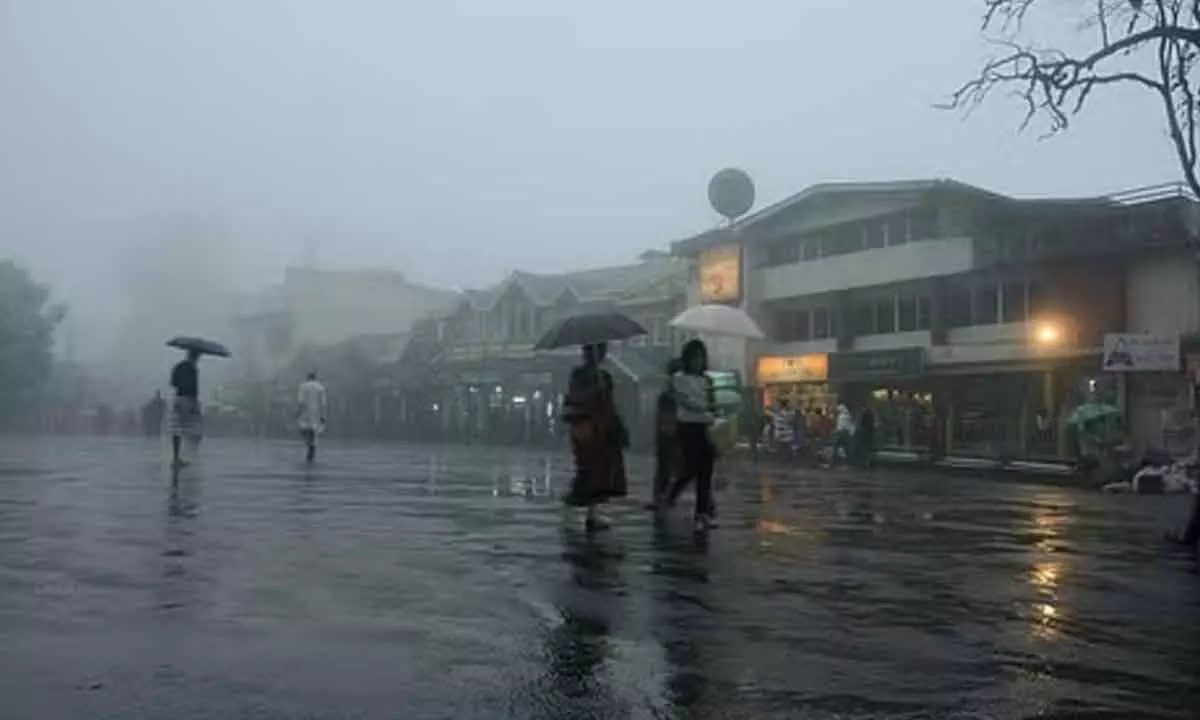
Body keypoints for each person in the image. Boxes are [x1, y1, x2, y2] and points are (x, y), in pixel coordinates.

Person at [562, 343, 628, 531]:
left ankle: (593, 513)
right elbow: (575, 397)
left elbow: (610, 404)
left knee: (603, 471)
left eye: (601, 352)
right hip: (585, 428)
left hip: (603, 428)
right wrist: (592, 388)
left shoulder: (605, 377)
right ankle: (573, 503)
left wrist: (618, 427)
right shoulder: (578, 375)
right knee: (587, 469)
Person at [663, 339, 718, 531]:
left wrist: (713, 411)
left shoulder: (706, 380)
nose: (699, 361)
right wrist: (705, 407)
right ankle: (672, 494)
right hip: (687, 427)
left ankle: (702, 514)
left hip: (703, 427)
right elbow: (686, 402)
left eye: (701, 357)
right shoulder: (678, 378)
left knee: (706, 471)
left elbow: (711, 401)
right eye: (695, 357)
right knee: (691, 468)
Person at [647, 358, 682, 511]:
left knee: (687, 471)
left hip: (680, 436)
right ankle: (661, 497)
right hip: (669, 437)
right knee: (665, 469)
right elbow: (662, 420)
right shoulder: (667, 397)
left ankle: (664, 497)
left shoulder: (680, 394)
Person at [167, 350, 202, 468]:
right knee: (195, 427)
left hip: (178, 398)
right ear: (196, 357)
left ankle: (176, 457)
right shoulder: (193, 369)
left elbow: (172, 383)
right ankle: (186, 454)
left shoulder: (178, 366)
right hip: (189, 399)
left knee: (177, 428)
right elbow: (194, 386)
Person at [297, 371, 328, 464]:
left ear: (307, 377)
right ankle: (311, 452)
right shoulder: (321, 388)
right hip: (317, 414)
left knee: (305, 431)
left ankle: (309, 447)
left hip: (305, 414)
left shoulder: (303, 386)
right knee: (314, 434)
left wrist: (298, 413)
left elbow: (300, 402)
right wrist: (323, 416)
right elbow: (323, 404)